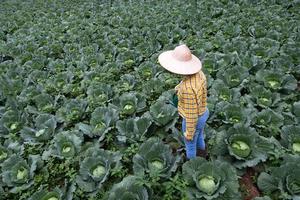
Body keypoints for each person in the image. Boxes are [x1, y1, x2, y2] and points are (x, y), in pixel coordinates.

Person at [158, 44, 209, 160]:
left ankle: (193, 165)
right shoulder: (199, 74)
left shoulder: (187, 89)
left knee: (190, 144)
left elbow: (191, 115)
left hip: (194, 119)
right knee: (200, 135)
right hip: (204, 112)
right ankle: (203, 154)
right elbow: (189, 84)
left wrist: (189, 134)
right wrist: (178, 88)